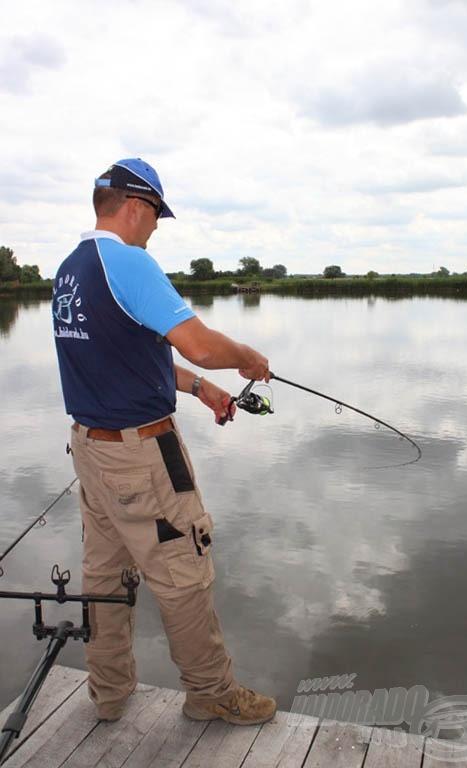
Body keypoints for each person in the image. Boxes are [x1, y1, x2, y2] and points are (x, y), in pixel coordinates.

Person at [52, 157, 276, 726]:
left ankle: (108, 694)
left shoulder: (70, 269)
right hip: (142, 455)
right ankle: (211, 693)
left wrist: (200, 387)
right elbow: (198, 343)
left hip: (91, 451)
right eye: (156, 215)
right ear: (135, 207)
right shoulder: (130, 264)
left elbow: (133, 356)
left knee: (103, 575)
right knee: (183, 569)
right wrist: (249, 359)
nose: (156, 228)